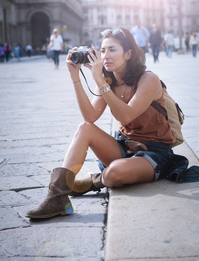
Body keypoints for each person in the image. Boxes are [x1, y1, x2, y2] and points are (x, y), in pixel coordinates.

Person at [26, 27, 198, 220]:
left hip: (155, 154)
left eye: (112, 50)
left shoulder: (148, 79)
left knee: (114, 174)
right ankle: (57, 197)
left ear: (128, 54)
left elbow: (127, 116)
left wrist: (100, 80)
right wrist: (75, 77)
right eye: (102, 50)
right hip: (124, 147)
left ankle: (96, 181)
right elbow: (89, 117)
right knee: (84, 129)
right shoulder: (110, 81)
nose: (105, 56)